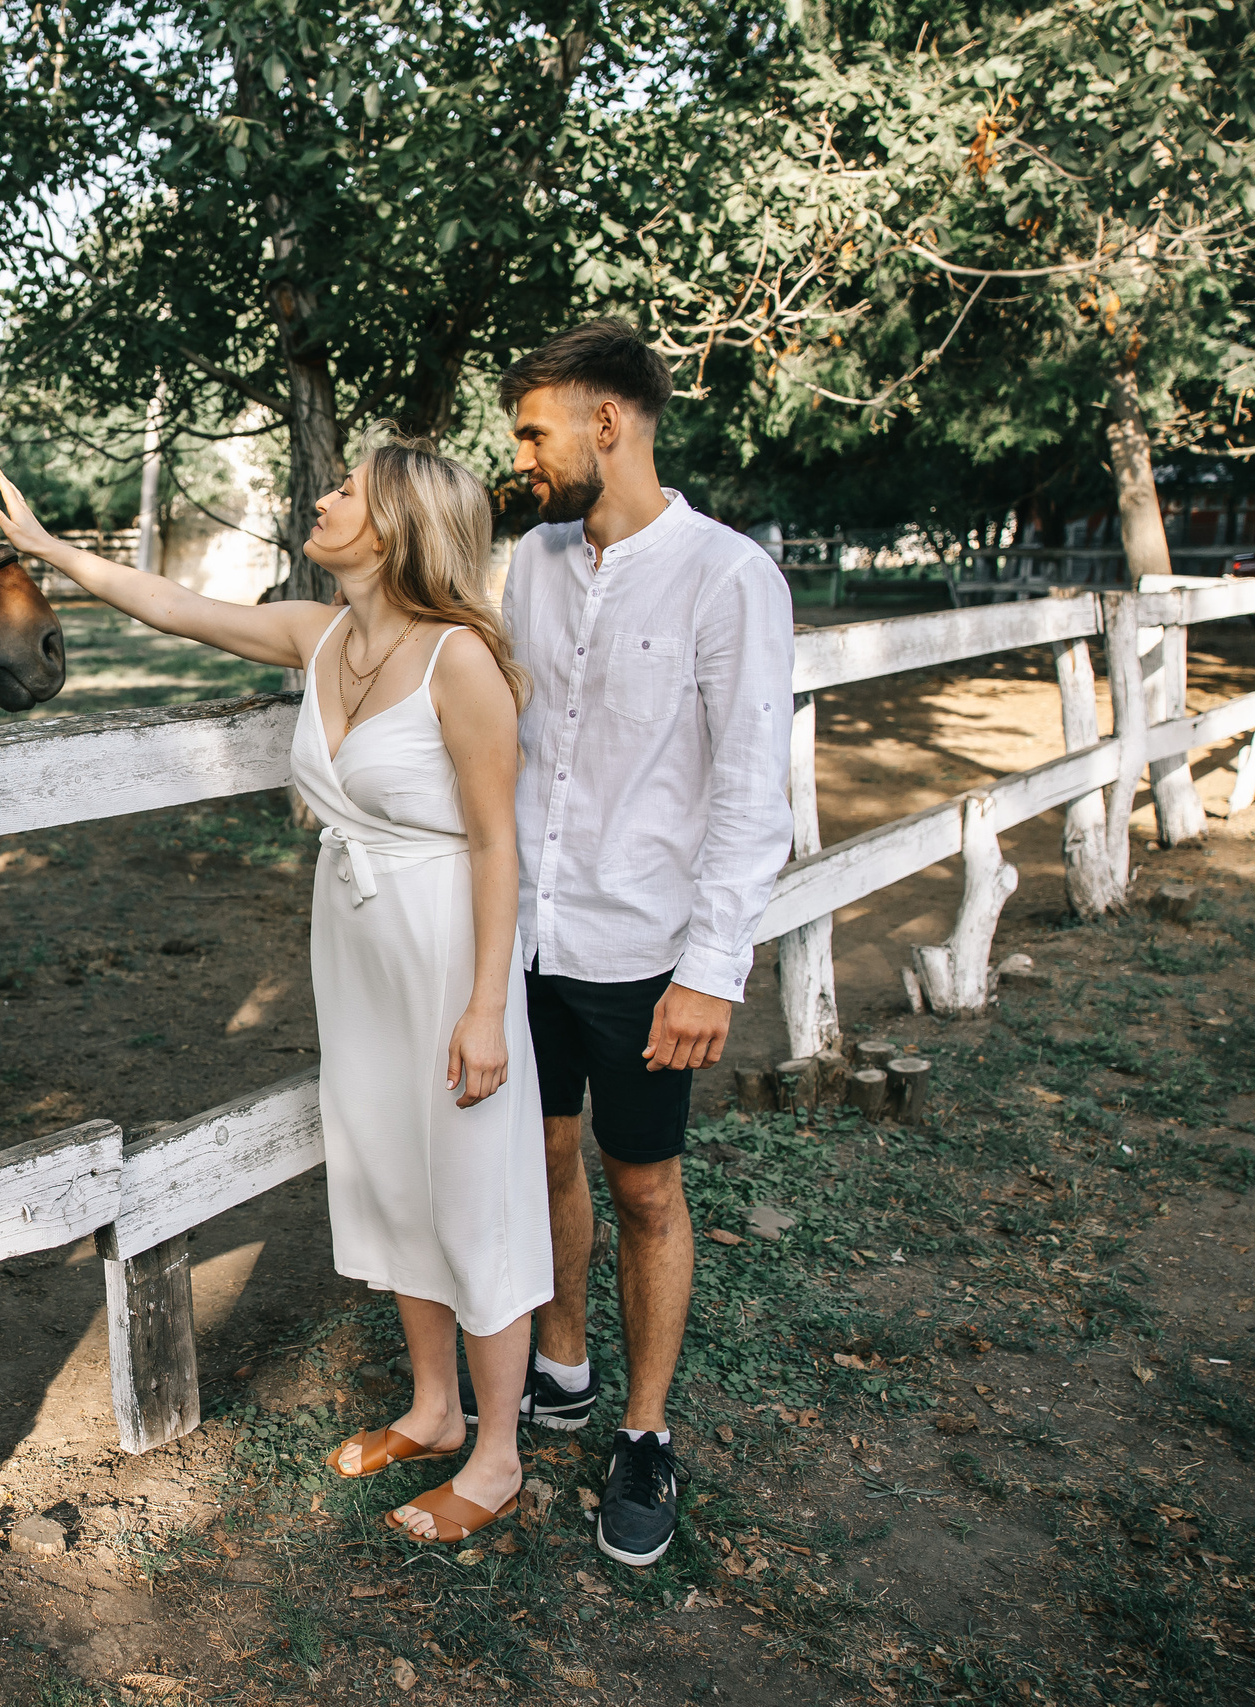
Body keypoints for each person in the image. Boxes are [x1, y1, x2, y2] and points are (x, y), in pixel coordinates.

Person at [0, 432, 551, 1545]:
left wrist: (486, 1007)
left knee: (472, 1188)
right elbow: (173, 608)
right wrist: (49, 547)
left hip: (444, 945)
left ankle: (497, 1454)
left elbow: (498, 847)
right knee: (392, 1173)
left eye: (350, 491)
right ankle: (433, 1409)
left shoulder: (461, 662)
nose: (326, 497)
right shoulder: (321, 633)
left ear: (397, 528)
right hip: (353, 945)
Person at [486, 320, 795, 1567]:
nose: (522, 456)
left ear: (603, 424)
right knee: (545, 1153)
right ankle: (559, 1365)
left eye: (531, 429)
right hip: (530, 942)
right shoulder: (532, 565)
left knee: (644, 1187)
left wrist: (712, 966)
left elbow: (748, 787)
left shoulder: (728, 576)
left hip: (642, 950)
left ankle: (645, 1431)